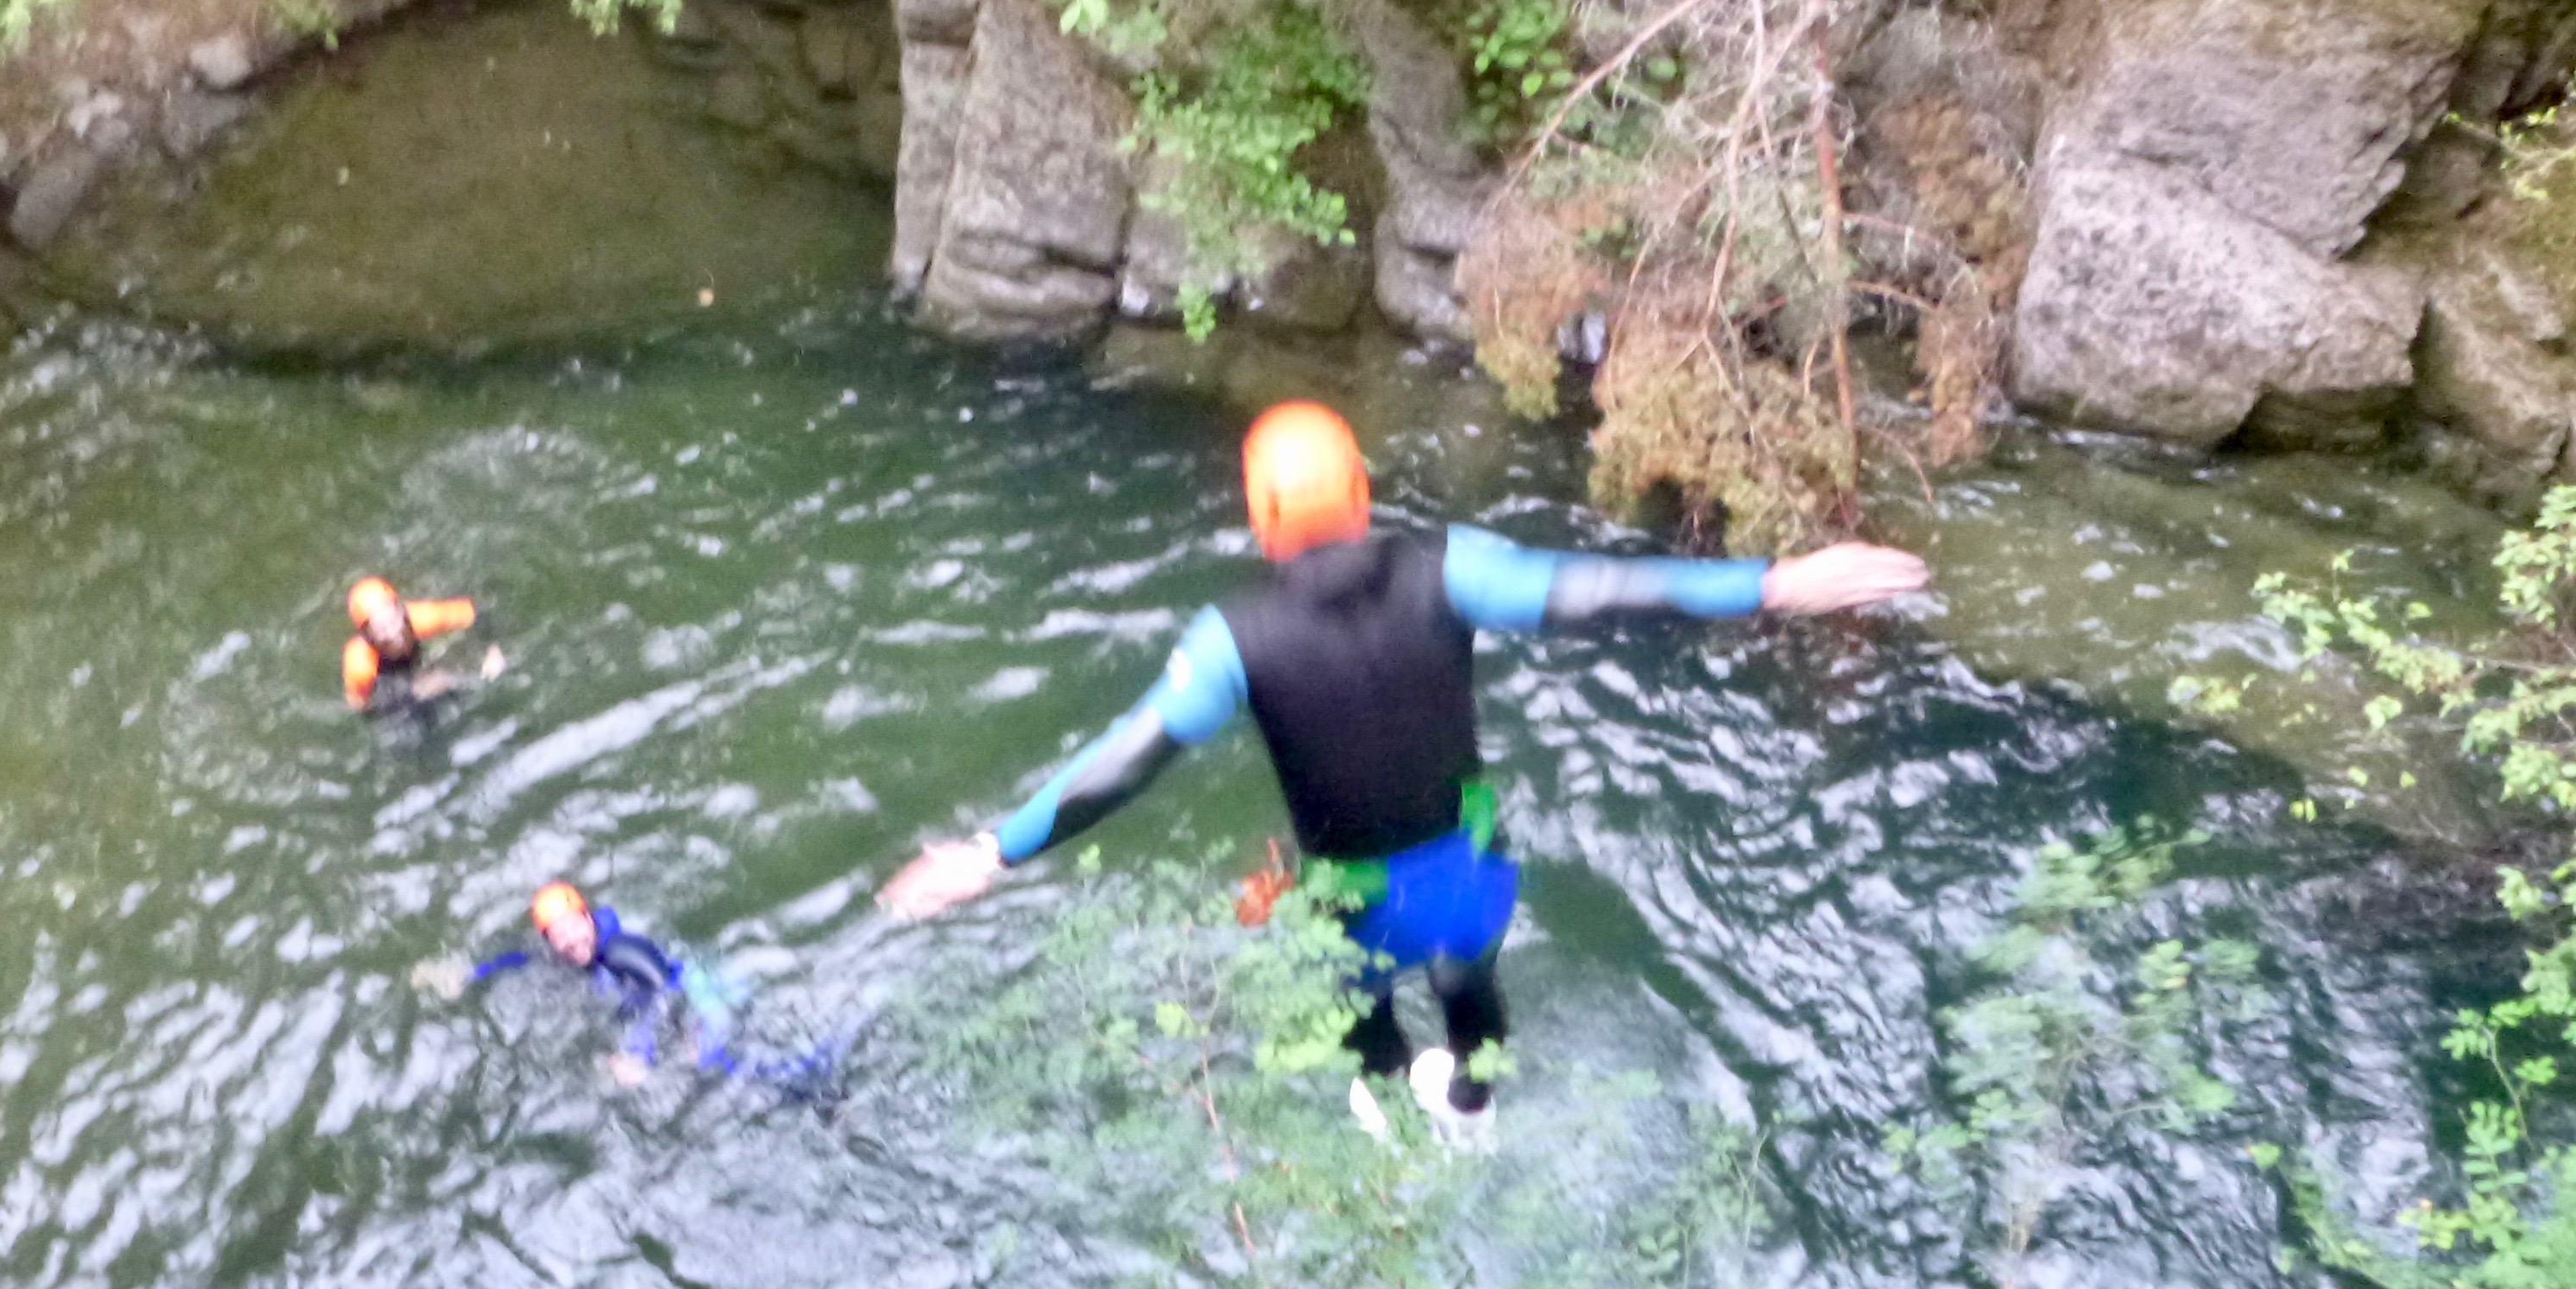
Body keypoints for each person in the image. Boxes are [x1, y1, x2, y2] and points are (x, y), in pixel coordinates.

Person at [878, 401, 1929, 1128]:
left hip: (1352, 894)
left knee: (1362, 1006)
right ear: (1365, 490)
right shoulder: (1453, 571)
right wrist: (1776, 584)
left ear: (1259, 517)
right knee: (1471, 983)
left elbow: (1123, 763)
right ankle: (1475, 1103)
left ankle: (1387, 1094)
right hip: (1473, 869)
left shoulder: (1230, 643)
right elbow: (1600, 593)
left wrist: (992, 853)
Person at [428, 880, 848, 1103]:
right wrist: (470, 972)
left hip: (690, 992)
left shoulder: (621, 951)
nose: (572, 941)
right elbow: (522, 958)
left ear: (589, 919)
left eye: (575, 927)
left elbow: (661, 994)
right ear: (548, 940)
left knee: (715, 1062)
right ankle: (815, 1081)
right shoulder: (568, 951)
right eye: (559, 936)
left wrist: (641, 1056)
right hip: (684, 981)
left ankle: (816, 1085)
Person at [342, 575, 480, 713]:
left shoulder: (423, 617)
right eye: (381, 629)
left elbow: (475, 613)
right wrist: (412, 694)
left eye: (393, 621)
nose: (393, 634)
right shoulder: (360, 664)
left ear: (402, 611)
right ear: (367, 634)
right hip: (387, 678)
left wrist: (491, 651)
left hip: (415, 661)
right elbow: (361, 707)